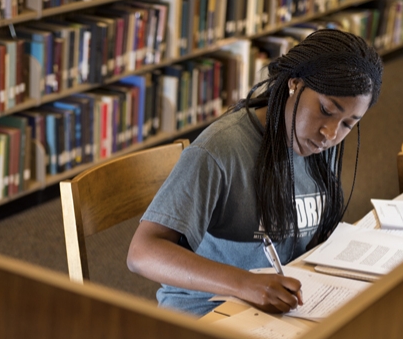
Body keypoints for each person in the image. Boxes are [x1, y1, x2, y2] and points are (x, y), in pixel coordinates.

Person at [127, 29, 384, 317]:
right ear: (294, 84)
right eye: (325, 109)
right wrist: (244, 284)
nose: (331, 133)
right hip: (207, 311)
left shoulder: (321, 146)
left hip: (277, 309)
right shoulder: (220, 149)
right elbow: (142, 252)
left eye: (349, 123)